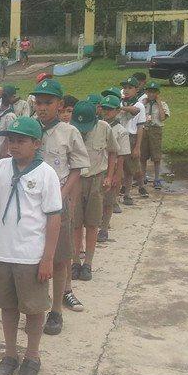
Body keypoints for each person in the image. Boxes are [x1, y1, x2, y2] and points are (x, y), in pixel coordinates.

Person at [0, 117, 62, 375]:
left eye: (21, 141)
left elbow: (54, 218)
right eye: (11, 140)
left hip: (31, 254)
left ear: (36, 143)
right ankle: (10, 353)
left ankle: (32, 356)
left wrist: (47, 258)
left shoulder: (46, 174)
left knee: (34, 309)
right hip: (2, 251)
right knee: (7, 306)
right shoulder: (1, 167)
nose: (14, 145)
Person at [30, 79, 89, 335]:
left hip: (58, 201)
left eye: (48, 102)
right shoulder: (29, 128)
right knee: (33, 257)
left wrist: (62, 195)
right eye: (38, 102)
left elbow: (77, 167)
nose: (42, 107)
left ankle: (56, 310)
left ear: (60, 104)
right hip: (31, 202)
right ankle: (35, 307)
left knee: (59, 257)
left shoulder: (69, 132)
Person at [69, 101, 118, 282]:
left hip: (96, 180)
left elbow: (113, 152)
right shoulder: (68, 130)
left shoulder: (104, 128)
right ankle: (75, 262)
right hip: (75, 180)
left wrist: (109, 176)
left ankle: (88, 263)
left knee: (92, 223)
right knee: (75, 223)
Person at [97, 95, 131, 243]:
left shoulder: (121, 131)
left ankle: (104, 228)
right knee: (97, 200)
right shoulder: (97, 126)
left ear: (117, 111)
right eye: (104, 108)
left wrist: (117, 175)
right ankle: (99, 222)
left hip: (112, 167)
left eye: (110, 109)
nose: (106, 112)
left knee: (109, 200)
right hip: (97, 167)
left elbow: (121, 155)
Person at [118, 76, 147, 201]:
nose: (126, 90)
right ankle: (125, 188)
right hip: (120, 137)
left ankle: (135, 189)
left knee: (133, 168)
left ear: (136, 89)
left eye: (130, 88)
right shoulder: (120, 103)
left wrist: (137, 147)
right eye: (125, 88)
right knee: (123, 166)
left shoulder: (139, 105)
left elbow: (140, 127)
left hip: (132, 137)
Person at [139, 82, 170, 189]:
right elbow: (138, 116)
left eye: (154, 92)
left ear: (157, 93)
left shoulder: (163, 104)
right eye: (149, 92)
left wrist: (159, 103)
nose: (151, 94)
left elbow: (162, 118)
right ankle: (143, 177)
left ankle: (157, 179)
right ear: (146, 92)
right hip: (144, 129)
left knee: (156, 156)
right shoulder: (143, 103)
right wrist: (143, 104)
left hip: (156, 130)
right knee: (143, 156)